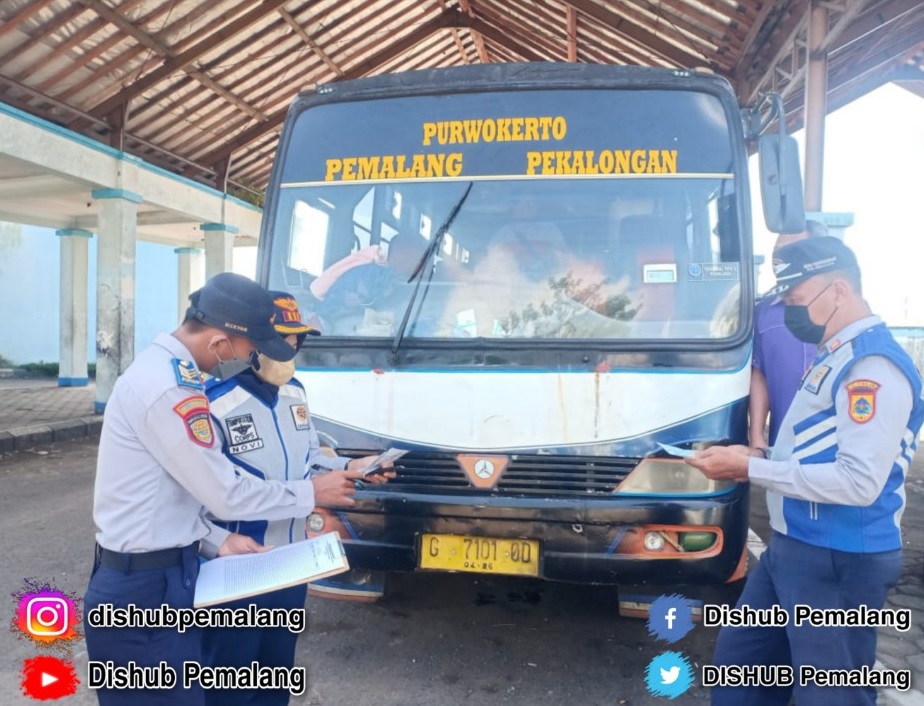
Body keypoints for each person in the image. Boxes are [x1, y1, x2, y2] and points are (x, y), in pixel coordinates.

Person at [84, 273, 364, 706]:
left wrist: (217, 539)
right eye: (250, 349)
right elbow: (226, 494)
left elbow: (167, 499)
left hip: (163, 577)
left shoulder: (170, 377)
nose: (249, 358)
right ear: (219, 343)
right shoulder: (168, 388)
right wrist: (311, 493)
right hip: (143, 589)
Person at [687, 237, 924, 706]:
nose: (790, 313)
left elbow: (858, 481)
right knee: (741, 673)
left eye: (796, 301)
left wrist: (754, 467)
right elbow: (812, 451)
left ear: (838, 290)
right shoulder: (835, 355)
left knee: (830, 694)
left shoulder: (871, 366)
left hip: (839, 558)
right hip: (793, 546)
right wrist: (750, 459)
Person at [201, 291, 395, 706]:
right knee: (229, 687)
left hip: (289, 567)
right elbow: (216, 494)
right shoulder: (213, 402)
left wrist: (353, 466)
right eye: (282, 340)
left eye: (297, 341)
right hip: (236, 573)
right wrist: (311, 491)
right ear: (254, 342)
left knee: (275, 682)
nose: (290, 350)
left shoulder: (296, 392)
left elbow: (311, 458)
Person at [750, 220, 828, 447]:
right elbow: (759, 376)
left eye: (791, 249)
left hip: (835, 450)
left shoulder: (841, 307)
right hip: (783, 449)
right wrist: (756, 436)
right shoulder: (763, 312)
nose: (781, 258)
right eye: (777, 251)